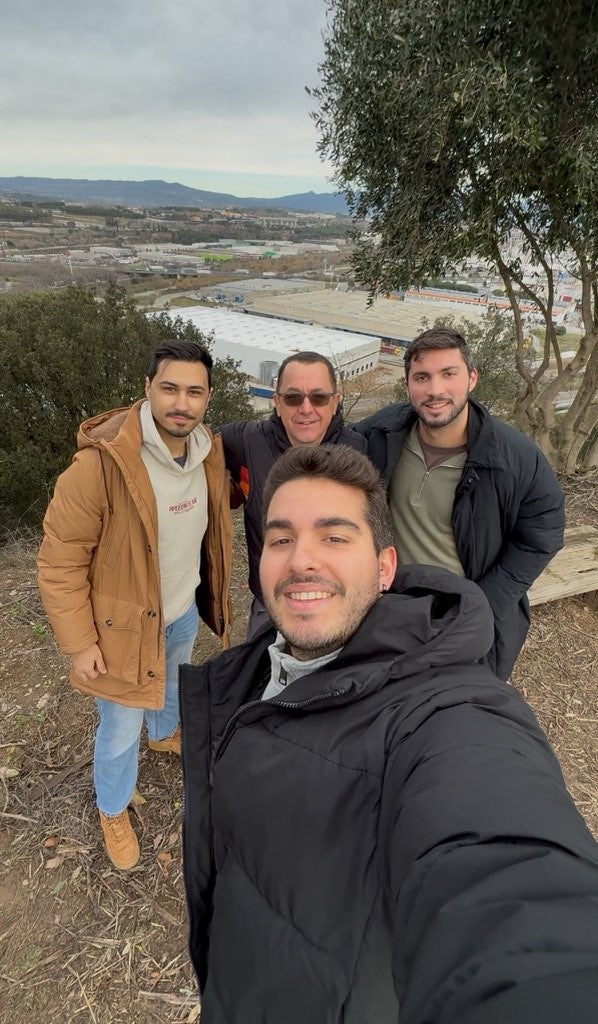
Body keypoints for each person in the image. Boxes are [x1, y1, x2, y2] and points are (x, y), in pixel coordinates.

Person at [179, 444, 598, 1024]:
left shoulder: (446, 711)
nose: (301, 559)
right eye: (280, 538)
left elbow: (506, 882)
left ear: (384, 567)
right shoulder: (252, 671)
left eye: (334, 536)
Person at [38, 340, 232, 871]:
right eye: (169, 388)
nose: (181, 403)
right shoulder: (100, 467)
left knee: (174, 678)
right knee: (119, 728)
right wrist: (79, 644)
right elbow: (59, 561)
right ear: (147, 389)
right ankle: (112, 806)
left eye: (194, 392)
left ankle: (165, 731)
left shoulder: (205, 451)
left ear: (208, 398)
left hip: (180, 609)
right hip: (123, 630)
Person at [354, 327, 565, 679]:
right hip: (386, 608)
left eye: (448, 374)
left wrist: (483, 605)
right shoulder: (379, 433)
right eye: (422, 377)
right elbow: (327, 453)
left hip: (460, 618)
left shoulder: (514, 457)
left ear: (472, 378)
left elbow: (543, 533)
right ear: (407, 386)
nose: (435, 390)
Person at [218, 351, 366, 638]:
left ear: (335, 402)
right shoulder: (246, 441)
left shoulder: (360, 451)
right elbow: (185, 440)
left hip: (336, 604)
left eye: (319, 397)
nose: (306, 408)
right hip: (270, 605)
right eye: (293, 397)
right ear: (276, 402)